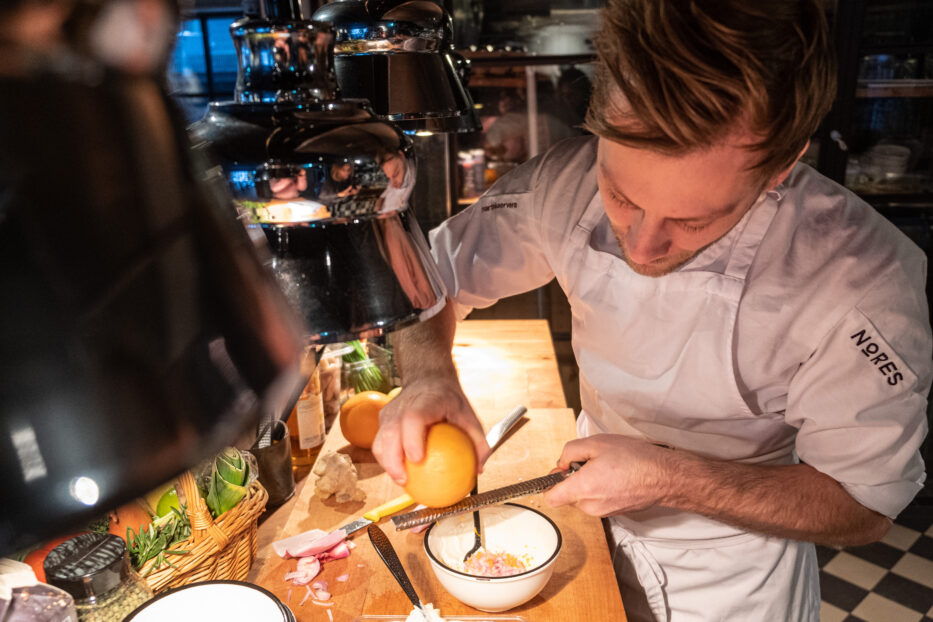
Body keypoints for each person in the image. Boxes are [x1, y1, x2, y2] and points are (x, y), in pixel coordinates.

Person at [372, 1, 932, 621]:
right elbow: (431, 278)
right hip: (585, 530)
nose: (641, 245)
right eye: (621, 195)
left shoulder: (860, 281)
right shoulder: (565, 182)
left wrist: (672, 478)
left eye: (693, 221)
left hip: (731, 580)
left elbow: (863, 507)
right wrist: (427, 375)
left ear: (782, 164)